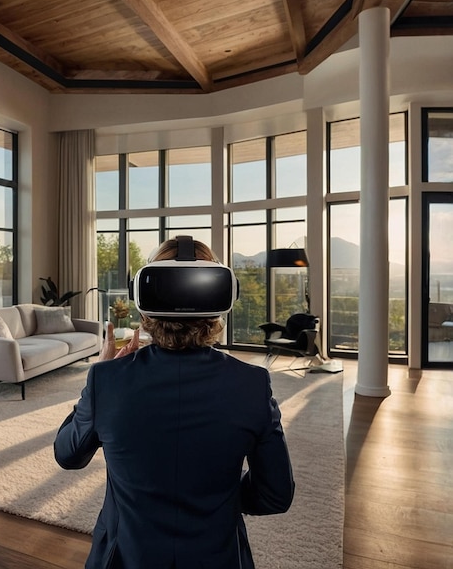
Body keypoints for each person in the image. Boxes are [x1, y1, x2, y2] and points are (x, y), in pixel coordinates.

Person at [54, 238, 295, 569]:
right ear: (222, 299)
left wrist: (98, 378)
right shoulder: (252, 384)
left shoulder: (107, 381)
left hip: (125, 559)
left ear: (144, 299)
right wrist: (221, 501)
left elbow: (68, 455)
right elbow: (275, 494)